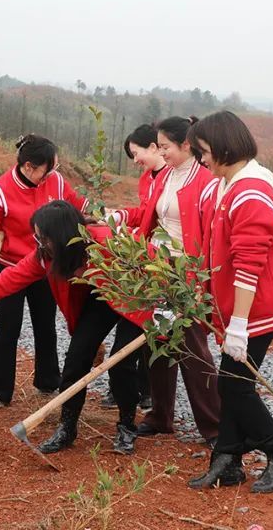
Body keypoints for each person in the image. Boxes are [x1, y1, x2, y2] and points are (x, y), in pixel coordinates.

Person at [0, 200, 152, 454]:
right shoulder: (45, 256)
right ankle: (67, 428)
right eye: (37, 236)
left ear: (62, 235)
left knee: (121, 365)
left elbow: (149, 259)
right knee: (76, 359)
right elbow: (6, 282)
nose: (38, 242)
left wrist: (167, 303)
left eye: (43, 237)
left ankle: (126, 427)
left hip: (134, 299)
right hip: (98, 300)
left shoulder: (105, 243)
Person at [186, 111, 273, 493]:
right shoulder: (227, 185)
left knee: (235, 387)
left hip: (257, 309)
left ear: (221, 147)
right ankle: (227, 460)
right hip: (236, 309)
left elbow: (249, 267)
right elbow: (216, 254)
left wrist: (238, 325)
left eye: (202, 152)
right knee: (231, 382)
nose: (200, 160)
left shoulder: (251, 193)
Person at [111, 116, 221, 446]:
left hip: (185, 273)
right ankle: (161, 415)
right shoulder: (165, 177)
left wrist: (199, 282)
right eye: (158, 147)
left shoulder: (205, 181)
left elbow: (209, 235)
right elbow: (150, 215)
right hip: (156, 267)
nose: (161, 152)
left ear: (186, 145)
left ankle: (215, 425)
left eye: (165, 146)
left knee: (192, 348)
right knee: (157, 342)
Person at [0, 134, 88, 408]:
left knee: (45, 324)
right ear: (29, 167)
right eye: (48, 169)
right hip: (12, 267)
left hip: (47, 265)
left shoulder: (55, 182)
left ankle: (48, 380)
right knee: (8, 328)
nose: (53, 175)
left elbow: (78, 208)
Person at [100, 124, 166, 411]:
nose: (135, 160)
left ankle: (148, 389)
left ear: (154, 146)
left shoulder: (172, 178)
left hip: (164, 261)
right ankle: (125, 386)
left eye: (136, 153)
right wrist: (122, 217)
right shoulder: (146, 179)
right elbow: (143, 214)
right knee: (135, 319)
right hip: (142, 257)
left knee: (154, 327)